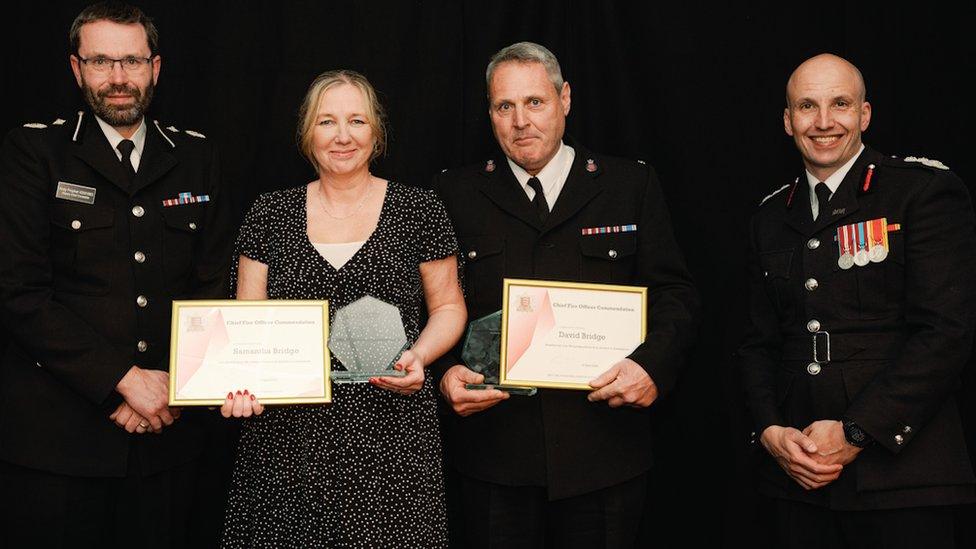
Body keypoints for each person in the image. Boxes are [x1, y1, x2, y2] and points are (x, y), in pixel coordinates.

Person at [431, 42, 700, 548]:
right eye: (503, 106)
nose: (520, 121)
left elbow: (674, 294)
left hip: (603, 452)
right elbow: (432, 305)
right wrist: (443, 375)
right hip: (496, 456)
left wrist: (651, 367)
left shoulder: (629, 184)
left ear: (565, 99)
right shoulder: (455, 194)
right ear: (489, 113)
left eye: (535, 102)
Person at [0, 1, 233, 547]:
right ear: (77, 69)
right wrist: (124, 383)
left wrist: (177, 387)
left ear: (156, 67)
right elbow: (18, 291)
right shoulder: (34, 151)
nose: (119, 78)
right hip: (58, 443)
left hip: (170, 439)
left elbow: (212, 284)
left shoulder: (197, 156)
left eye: (132, 61)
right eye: (102, 62)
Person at [219, 69, 466, 548]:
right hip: (284, 447)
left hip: (393, 440)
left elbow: (450, 307)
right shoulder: (268, 214)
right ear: (307, 133)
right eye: (327, 121)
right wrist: (241, 383)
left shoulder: (420, 210)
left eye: (357, 121)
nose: (342, 136)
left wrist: (420, 356)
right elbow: (245, 325)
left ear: (376, 133)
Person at [739, 53, 976, 548]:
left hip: (903, 479)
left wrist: (855, 432)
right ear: (788, 121)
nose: (824, 122)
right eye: (807, 106)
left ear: (865, 114)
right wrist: (768, 430)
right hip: (798, 478)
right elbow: (757, 343)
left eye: (840, 104)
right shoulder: (769, 215)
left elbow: (945, 334)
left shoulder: (921, 193)